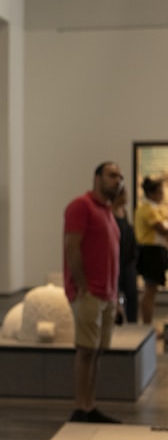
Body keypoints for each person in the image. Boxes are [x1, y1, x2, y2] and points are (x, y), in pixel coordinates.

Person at [64, 161, 123, 423]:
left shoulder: (109, 212)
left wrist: (116, 296)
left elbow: (112, 258)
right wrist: (82, 286)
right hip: (90, 293)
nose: (118, 180)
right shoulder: (81, 206)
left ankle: (90, 405)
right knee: (86, 350)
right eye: (112, 175)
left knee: (97, 351)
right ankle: (81, 407)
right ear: (97, 177)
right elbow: (72, 248)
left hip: (107, 294)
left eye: (120, 176)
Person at [133, 176, 168, 325]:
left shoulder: (156, 208)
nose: (163, 195)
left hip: (158, 251)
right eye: (160, 192)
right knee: (149, 289)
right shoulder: (147, 210)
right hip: (150, 252)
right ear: (151, 193)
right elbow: (162, 229)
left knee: (152, 290)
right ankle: (147, 325)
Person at [112, 185, 138, 324]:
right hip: (116, 260)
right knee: (114, 293)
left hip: (128, 260)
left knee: (132, 293)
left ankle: (132, 323)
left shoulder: (124, 212)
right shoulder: (110, 213)